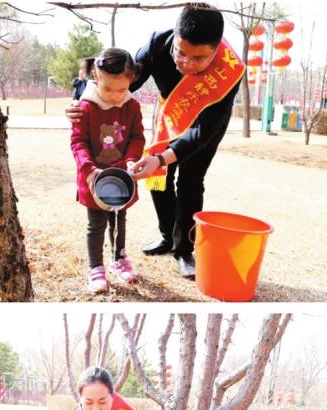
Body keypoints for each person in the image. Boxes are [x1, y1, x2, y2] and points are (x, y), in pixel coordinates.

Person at [66, 4, 243, 280]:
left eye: (199, 58)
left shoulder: (230, 69)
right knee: (159, 179)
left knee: (190, 181)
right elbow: (122, 83)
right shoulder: (157, 45)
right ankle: (166, 236)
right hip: (168, 118)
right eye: (181, 53)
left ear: (215, 49)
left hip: (203, 127)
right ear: (176, 38)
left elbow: (203, 130)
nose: (186, 63)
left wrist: (161, 158)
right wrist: (80, 103)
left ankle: (184, 250)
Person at [70, 48, 146, 293]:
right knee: (96, 224)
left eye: (121, 90)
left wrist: (131, 160)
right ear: (96, 77)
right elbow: (78, 142)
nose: (114, 96)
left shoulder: (132, 106)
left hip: (122, 177)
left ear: (131, 80)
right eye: (108, 89)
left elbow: (137, 137)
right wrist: (89, 169)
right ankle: (95, 267)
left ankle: (119, 258)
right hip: (93, 178)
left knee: (119, 219)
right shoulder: (85, 107)